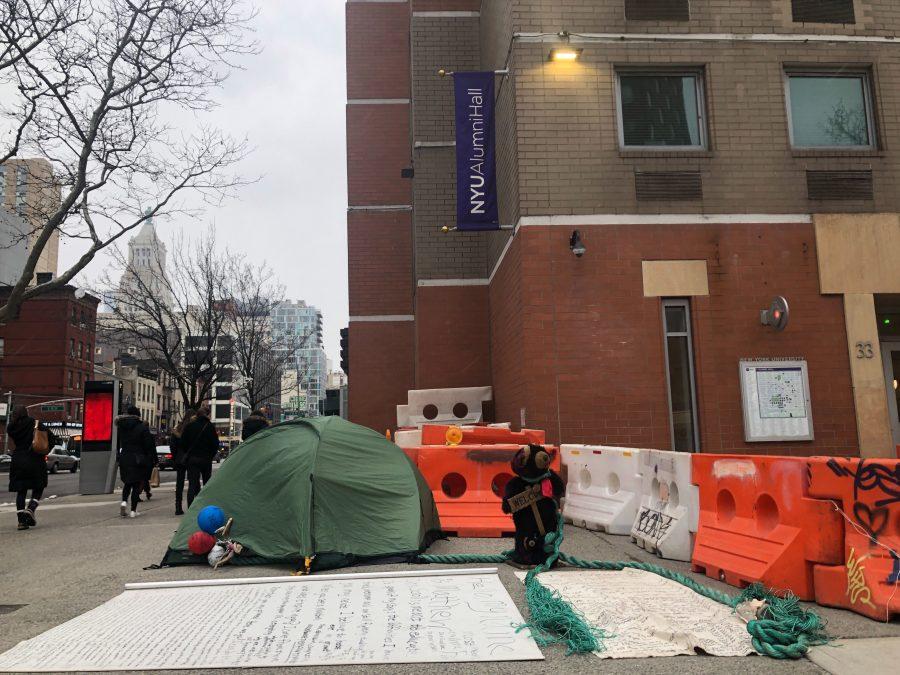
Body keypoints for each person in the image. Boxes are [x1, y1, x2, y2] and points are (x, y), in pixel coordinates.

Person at [7, 405, 55, 530]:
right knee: (39, 485)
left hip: (18, 460)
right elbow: (52, 438)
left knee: (21, 491)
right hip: (35, 459)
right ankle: (31, 507)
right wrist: (45, 450)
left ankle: (21, 522)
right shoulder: (36, 424)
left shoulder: (11, 428)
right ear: (26, 413)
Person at [116, 406, 156, 518]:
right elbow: (148, 445)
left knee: (127, 483)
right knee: (136, 484)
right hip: (138, 458)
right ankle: (133, 510)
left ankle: (124, 501)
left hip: (125, 457)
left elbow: (118, 442)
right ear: (138, 415)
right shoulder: (142, 427)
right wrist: (149, 458)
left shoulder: (121, 426)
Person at [181, 403, 219, 506]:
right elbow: (215, 444)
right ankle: (206, 506)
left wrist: (188, 453)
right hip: (206, 459)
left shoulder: (189, 426)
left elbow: (183, 443)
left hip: (192, 459)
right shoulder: (210, 426)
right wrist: (210, 455)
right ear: (207, 415)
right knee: (207, 484)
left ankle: (190, 507)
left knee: (192, 484)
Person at [170, 408, 197, 515]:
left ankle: (178, 507)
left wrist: (175, 457)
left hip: (180, 458)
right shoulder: (193, 428)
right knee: (193, 483)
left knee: (179, 484)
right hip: (191, 457)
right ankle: (192, 506)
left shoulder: (178, 428)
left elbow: (172, 446)